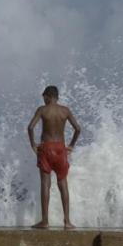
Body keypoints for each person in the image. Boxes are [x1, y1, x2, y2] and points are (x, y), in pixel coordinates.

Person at [27, 85, 81, 229]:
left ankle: (45, 221)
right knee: (63, 184)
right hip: (61, 149)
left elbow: (30, 127)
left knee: (45, 184)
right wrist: (71, 145)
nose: (43, 100)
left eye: (44, 97)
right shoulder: (65, 111)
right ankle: (67, 221)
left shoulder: (42, 110)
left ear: (48, 96)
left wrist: (33, 145)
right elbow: (78, 129)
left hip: (46, 148)